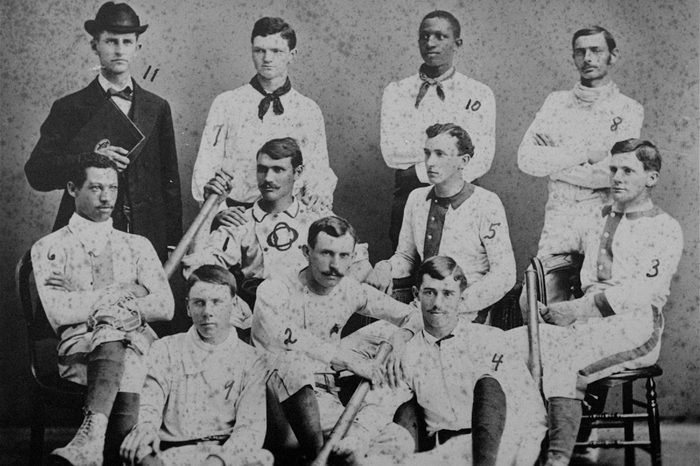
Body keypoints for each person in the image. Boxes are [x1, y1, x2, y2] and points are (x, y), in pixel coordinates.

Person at [513, 139, 683, 465]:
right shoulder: (596, 216)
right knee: (518, 346)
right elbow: (555, 251)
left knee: (565, 363)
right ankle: (524, 448)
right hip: (587, 324)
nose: (617, 177)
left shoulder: (663, 228)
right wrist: (534, 286)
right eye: (614, 169)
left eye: (628, 170)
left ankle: (558, 458)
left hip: (635, 328)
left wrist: (575, 309)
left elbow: (640, 293)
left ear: (651, 177)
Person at [31, 153, 174, 465]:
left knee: (124, 345)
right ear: (72, 189)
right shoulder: (49, 247)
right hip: (80, 352)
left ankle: (91, 441)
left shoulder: (137, 244)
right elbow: (60, 313)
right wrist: (123, 292)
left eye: (112, 187)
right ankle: (127, 454)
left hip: (139, 346)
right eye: (96, 188)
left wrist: (93, 303)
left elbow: (165, 306)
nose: (107, 197)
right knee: (116, 340)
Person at [335, 256, 546, 466]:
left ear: (461, 297)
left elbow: (531, 411)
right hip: (441, 454)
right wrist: (357, 440)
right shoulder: (408, 352)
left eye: (447, 293)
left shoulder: (491, 340)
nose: (437, 303)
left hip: (499, 449)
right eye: (429, 293)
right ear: (417, 295)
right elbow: (380, 405)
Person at [252, 216, 422, 462]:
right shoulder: (275, 289)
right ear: (306, 252)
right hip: (275, 408)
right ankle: (318, 458)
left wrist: (400, 337)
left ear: (353, 257)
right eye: (326, 253)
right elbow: (289, 338)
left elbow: (413, 316)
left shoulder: (349, 289)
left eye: (344, 256)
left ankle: (353, 440)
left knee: (398, 439)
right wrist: (350, 360)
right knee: (295, 363)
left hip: (326, 400)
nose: (335, 265)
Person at [25, 2, 182, 262]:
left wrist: (172, 243)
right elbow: (37, 173)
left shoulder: (157, 107)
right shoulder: (69, 107)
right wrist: (89, 157)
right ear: (94, 46)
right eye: (110, 41)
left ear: (137, 47)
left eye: (127, 42)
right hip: (85, 237)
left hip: (146, 238)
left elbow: (170, 182)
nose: (119, 50)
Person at [183, 137, 370, 308]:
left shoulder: (317, 217)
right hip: (259, 318)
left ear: (298, 172)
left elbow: (361, 265)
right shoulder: (241, 221)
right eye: (262, 169)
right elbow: (197, 269)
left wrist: (329, 303)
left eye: (278, 170)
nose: (268, 179)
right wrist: (210, 209)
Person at [119, 265, 272, 466]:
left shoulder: (253, 360)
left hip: (224, 455)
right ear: (188, 307)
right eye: (199, 303)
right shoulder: (165, 349)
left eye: (217, 302)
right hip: (173, 453)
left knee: (263, 458)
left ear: (234, 304)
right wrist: (146, 426)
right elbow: (150, 403)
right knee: (138, 451)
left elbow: (250, 429)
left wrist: (219, 460)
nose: (208, 312)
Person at [192, 16, 337, 227]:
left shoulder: (308, 110)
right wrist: (219, 211)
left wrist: (318, 194)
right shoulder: (227, 103)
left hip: (290, 219)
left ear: (292, 55)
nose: (267, 58)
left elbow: (318, 169)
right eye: (259, 50)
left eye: (276, 51)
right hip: (237, 216)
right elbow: (205, 166)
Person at [517, 25, 644, 257]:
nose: (587, 58)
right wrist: (584, 155)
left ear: (612, 56)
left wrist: (554, 165)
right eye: (580, 52)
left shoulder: (628, 109)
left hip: (602, 214)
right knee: (544, 289)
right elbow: (526, 160)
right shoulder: (555, 102)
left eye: (596, 50)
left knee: (597, 289)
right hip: (558, 217)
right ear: (573, 57)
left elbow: (611, 174)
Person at [372, 123, 515, 321]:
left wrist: (458, 303)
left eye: (440, 154)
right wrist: (386, 266)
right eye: (427, 153)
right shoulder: (416, 198)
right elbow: (406, 257)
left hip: (467, 315)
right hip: (420, 312)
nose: (430, 162)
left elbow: (504, 274)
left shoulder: (486, 203)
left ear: (463, 161)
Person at [381, 10, 495, 249]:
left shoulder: (478, 93)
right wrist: (446, 157)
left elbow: (481, 157)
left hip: (461, 194)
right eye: (424, 36)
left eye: (440, 36)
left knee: (458, 268)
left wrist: (422, 171)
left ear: (457, 43)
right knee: (407, 265)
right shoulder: (397, 91)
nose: (430, 43)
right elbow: (391, 152)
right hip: (410, 193)